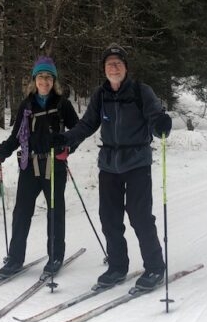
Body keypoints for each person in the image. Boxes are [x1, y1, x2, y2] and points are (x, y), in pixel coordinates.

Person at [51, 43, 172, 290]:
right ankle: (117, 266)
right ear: (104, 69)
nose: (113, 67)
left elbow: (154, 117)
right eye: (109, 64)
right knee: (109, 218)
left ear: (125, 68)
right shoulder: (101, 95)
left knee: (139, 217)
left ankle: (155, 267)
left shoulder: (141, 91)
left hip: (137, 162)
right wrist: (66, 139)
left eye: (117, 63)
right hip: (108, 164)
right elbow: (87, 124)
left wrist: (160, 124)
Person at [0, 56, 79, 280]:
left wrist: (67, 147)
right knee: (21, 213)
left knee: (54, 212)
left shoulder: (62, 104)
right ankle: (15, 259)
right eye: (41, 76)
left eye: (49, 77)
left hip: (54, 165)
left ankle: (55, 256)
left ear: (54, 81)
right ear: (34, 79)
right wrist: (3, 151)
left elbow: (78, 130)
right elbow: (16, 136)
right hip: (29, 165)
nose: (45, 81)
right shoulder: (26, 105)